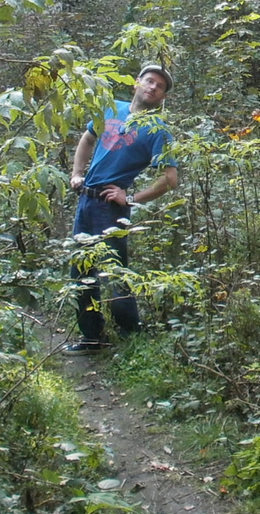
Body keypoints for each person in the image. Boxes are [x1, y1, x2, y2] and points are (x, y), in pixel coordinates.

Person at [64, 63, 178, 353]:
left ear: (163, 97)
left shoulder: (158, 131)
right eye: (149, 81)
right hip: (85, 201)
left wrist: (130, 198)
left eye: (160, 86)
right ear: (136, 83)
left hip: (110, 208)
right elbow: (88, 138)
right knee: (81, 271)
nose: (153, 87)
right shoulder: (110, 108)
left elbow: (169, 179)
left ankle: (131, 338)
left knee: (115, 273)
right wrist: (77, 173)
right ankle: (92, 338)